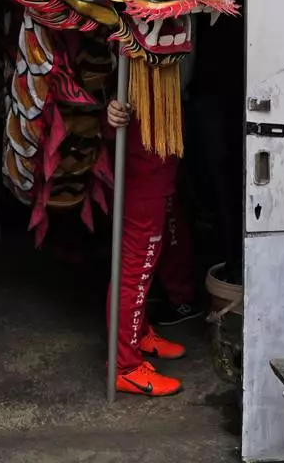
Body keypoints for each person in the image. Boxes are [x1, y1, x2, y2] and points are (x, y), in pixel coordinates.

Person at [105, 97, 189, 396]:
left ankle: (137, 334)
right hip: (143, 179)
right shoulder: (128, 58)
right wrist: (110, 110)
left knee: (147, 264)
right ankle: (124, 367)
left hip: (158, 171)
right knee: (135, 268)